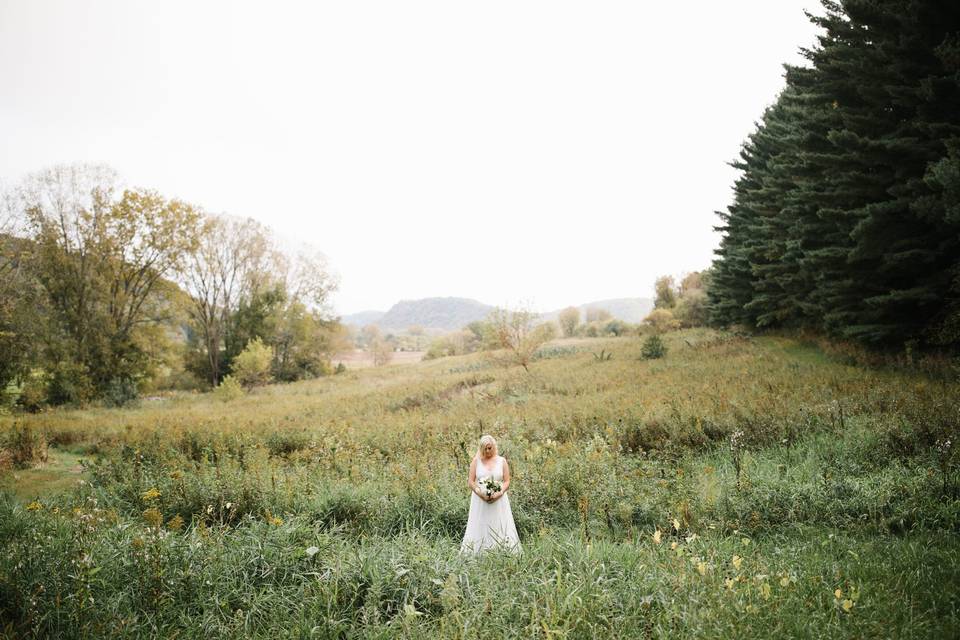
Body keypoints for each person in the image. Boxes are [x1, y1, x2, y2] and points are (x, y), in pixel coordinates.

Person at [460, 434, 521, 554]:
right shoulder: (476, 462)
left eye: (490, 448)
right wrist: (480, 493)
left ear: (494, 447)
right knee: (481, 523)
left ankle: (502, 550)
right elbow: (471, 482)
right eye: (485, 448)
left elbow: (507, 480)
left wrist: (500, 492)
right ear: (481, 448)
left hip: (499, 499)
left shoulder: (501, 461)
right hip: (480, 500)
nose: (488, 451)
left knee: (499, 523)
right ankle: (479, 551)